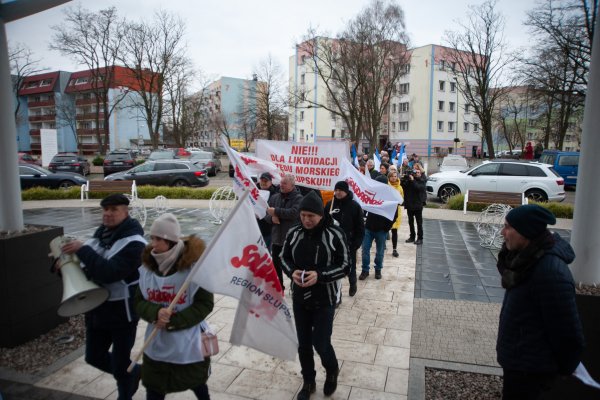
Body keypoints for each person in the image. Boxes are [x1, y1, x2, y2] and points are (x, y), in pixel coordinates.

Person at [60, 194, 147, 400]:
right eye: (105, 209)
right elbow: (84, 271)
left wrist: (82, 250)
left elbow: (109, 273)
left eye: (113, 209)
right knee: (93, 357)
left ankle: (124, 393)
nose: (107, 214)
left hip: (122, 313)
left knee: (119, 363)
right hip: (96, 310)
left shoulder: (136, 244)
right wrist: (62, 266)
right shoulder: (99, 236)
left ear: (126, 212)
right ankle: (134, 372)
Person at [497, 205, 584, 399]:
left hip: (531, 369)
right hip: (520, 362)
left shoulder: (550, 274)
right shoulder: (525, 260)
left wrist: (564, 368)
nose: (503, 233)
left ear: (526, 233)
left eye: (508, 227)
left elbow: (567, 332)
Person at [135, 213, 214, 400]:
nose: (153, 244)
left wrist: (173, 321)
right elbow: (138, 301)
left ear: (170, 241)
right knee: (154, 388)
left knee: (197, 383)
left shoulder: (193, 269)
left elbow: (205, 303)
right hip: (156, 344)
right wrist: (155, 313)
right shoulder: (147, 268)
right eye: (152, 238)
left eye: (159, 239)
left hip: (188, 342)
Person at [280, 191, 350, 400]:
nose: (306, 220)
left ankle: (332, 370)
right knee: (303, 345)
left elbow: (345, 265)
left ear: (320, 214)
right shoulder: (294, 233)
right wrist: (290, 271)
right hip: (300, 298)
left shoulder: (335, 233)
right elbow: (283, 257)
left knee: (320, 343)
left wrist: (320, 275)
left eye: (311, 215)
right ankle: (308, 381)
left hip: (325, 299)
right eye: (303, 215)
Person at [325, 180, 365, 297]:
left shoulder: (354, 206)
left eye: (340, 190)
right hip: (332, 244)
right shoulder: (330, 204)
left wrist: (356, 244)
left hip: (349, 243)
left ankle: (353, 283)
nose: (337, 193)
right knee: (334, 269)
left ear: (346, 191)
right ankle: (337, 295)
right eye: (336, 190)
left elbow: (360, 228)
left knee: (350, 268)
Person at [264, 174, 303, 291]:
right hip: (276, 239)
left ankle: (295, 286)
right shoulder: (274, 197)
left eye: (284, 183)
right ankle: (279, 287)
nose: (281, 185)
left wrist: (276, 212)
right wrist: (272, 218)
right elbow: (266, 214)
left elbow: (294, 213)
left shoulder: (298, 198)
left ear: (292, 185)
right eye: (281, 183)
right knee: (276, 265)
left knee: (293, 265)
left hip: (291, 239)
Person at [360, 175, 397, 280]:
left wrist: (386, 228)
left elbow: (394, 215)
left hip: (382, 230)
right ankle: (365, 270)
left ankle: (378, 270)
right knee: (365, 250)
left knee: (380, 252)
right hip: (369, 228)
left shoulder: (391, 197)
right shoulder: (373, 194)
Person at [401, 168, 427, 245]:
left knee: (419, 223)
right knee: (410, 222)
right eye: (415, 172)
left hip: (418, 205)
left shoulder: (422, 181)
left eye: (418, 172)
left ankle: (420, 238)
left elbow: (418, 188)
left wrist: (412, 180)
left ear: (421, 174)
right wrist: (404, 179)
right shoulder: (409, 180)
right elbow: (403, 187)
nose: (417, 174)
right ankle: (412, 236)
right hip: (410, 205)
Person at [257, 172, 279, 248]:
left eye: (266, 181)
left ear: (270, 182)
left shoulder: (275, 195)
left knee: (265, 250)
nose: (263, 183)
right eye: (262, 180)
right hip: (255, 226)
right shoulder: (254, 191)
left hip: (267, 228)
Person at [387, 170, 404, 257]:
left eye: (395, 176)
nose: (394, 178)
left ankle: (394, 249)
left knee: (394, 231)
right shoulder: (386, 186)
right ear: (389, 177)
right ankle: (383, 246)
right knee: (385, 230)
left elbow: (401, 199)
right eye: (392, 176)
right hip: (387, 210)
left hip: (396, 211)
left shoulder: (400, 187)